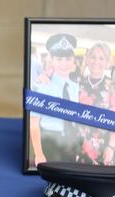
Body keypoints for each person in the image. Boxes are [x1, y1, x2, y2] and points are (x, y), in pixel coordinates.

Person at [29, 33, 80, 168]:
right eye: (58, 59)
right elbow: (33, 124)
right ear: (51, 60)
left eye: (68, 59)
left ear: (73, 60)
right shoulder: (40, 87)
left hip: (71, 143)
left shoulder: (76, 88)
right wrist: (39, 154)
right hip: (49, 142)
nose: (64, 64)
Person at [76, 43, 115, 166]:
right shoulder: (77, 84)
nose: (96, 61)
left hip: (104, 147)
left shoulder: (113, 87)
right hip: (78, 145)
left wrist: (111, 146)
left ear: (107, 62)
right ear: (87, 59)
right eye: (93, 57)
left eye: (101, 58)